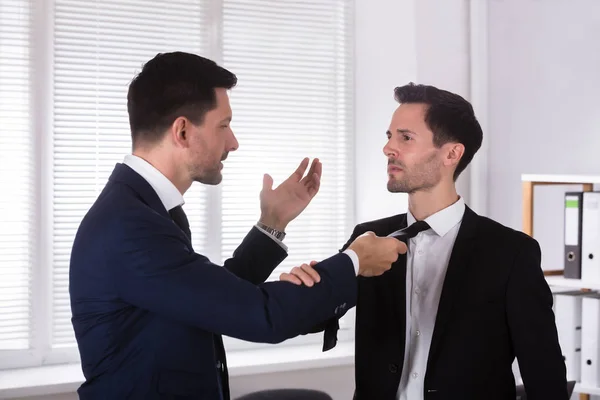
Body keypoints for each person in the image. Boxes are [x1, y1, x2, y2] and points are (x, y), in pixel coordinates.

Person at [68, 51, 406, 400]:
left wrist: (272, 224)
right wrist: (354, 263)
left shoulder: (148, 209)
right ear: (182, 130)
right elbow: (261, 315)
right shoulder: (131, 226)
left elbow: (207, 298)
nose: (233, 142)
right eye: (223, 126)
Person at [281, 83, 569, 399]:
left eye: (405, 137)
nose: (388, 148)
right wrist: (307, 289)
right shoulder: (369, 238)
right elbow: (312, 317)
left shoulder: (511, 253)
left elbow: (544, 374)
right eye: (389, 136)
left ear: (451, 153)